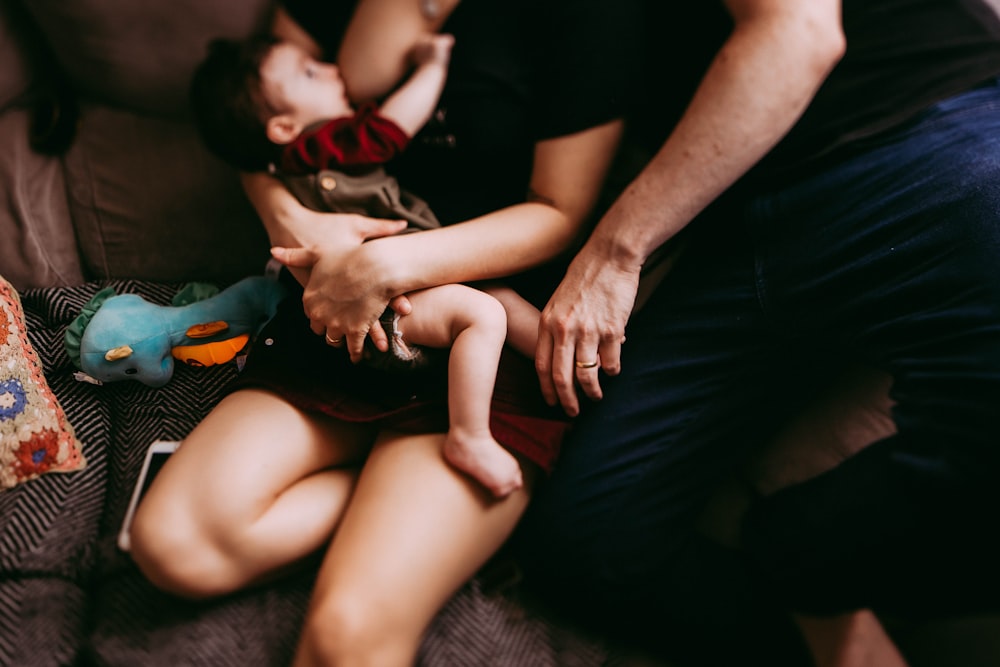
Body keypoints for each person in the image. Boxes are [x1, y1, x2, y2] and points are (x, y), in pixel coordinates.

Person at [128, 0, 639, 665]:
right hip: (338, 320)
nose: (324, 72)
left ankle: (428, 501)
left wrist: (389, 264)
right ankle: (387, 497)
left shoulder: (589, 18)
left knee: (343, 640)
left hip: (473, 326)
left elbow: (559, 210)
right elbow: (258, 133)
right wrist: (294, 221)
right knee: (171, 544)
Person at [520, 0, 1000, 665]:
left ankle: (802, 563)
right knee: (585, 543)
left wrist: (614, 252)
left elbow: (798, 34)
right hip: (742, 221)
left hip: (928, 134)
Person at [188, 30, 540, 498]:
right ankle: (469, 436)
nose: (334, 69)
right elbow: (393, 127)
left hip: (400, 288)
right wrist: (432, 65)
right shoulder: (323, 147)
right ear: (284, 129)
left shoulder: (291, 163)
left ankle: (571, 369)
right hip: (383, 307)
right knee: (486, 313)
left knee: (503, 300)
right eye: (311, 72)